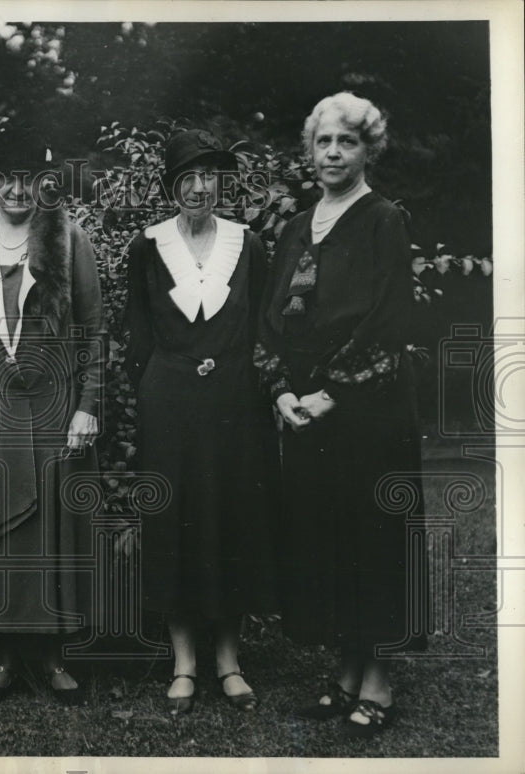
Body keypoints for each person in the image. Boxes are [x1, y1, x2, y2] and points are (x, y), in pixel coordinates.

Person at [254, 92, 424, 738]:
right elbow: (270, 320)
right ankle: (345, 675)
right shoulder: (296, 226)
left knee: (371, 540)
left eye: (346, 142)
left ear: (367, 150)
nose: (332, 153)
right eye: (323, 142)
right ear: (310, 149)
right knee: (329, 541)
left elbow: (389, 319)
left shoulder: (384, 219)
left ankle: (376, 681)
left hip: (367, 412)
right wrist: (279, 393)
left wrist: (332, 394)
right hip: (304, 416)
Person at [0, 128, 104, 705]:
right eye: (5, 179)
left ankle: (54, 655)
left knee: (49, 536)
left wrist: (88, 405)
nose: (16, 191)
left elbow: (93, 330)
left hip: (53, 408)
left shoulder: (68, 238)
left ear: (45, 185)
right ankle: (3, 657)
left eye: (29, 180)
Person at [124, 129, 280, 715]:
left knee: (232, 518)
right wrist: (159, 383)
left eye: (207, 177)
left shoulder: (250, 245)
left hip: (236, 404)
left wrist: (239, 376)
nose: (197, 188)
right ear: (171, 187)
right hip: (170, 405)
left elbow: (263, 327)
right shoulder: (147, 246)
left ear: (221, 183)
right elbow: (137, 331)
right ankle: (183, 663)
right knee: (175, 520)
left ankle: (229, 662)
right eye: (185, 178)